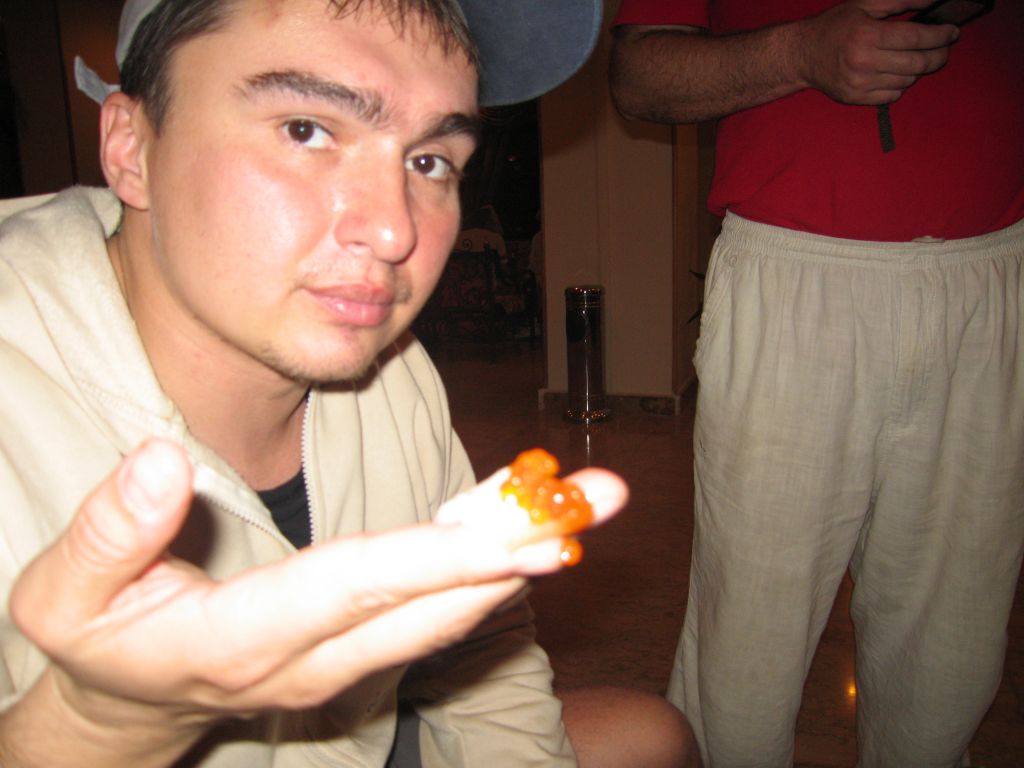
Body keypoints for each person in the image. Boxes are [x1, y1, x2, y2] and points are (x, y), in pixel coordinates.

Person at [0, 1, 699, 766]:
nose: (396, 231)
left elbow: (481, 642)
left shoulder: (390, 367)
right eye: (307, 130)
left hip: (355, 738)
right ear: (131, 148)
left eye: (429, 161)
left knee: (650, 737)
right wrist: (80, 731)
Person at [610, 1, 1023, 765]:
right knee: (748, 639)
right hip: (795, 274)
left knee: (954, 647)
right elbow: (638, 76)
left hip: (995, 273)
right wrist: (801, 53)